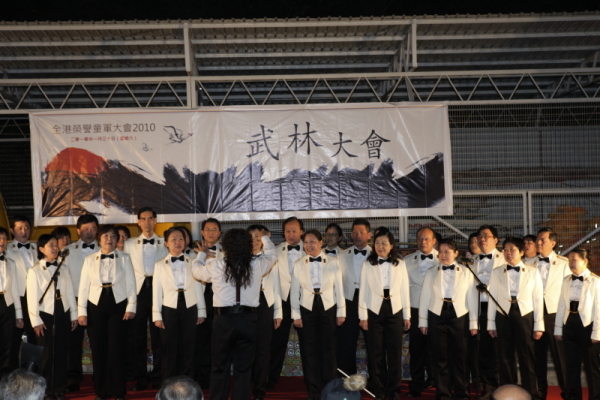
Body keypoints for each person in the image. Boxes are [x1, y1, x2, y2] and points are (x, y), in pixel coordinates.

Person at [192, 228, 277, 400]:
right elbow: (272, 255)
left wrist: (201, 254)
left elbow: (196, 271)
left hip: (223, 320)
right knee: (243, 368)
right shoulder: (257, 264)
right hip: (249, 320)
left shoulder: (217, 266)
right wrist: (264, 238)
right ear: (248, 245)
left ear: (226, 247)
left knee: (219, 366)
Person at [78, 224, 137, 400]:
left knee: (117, 348)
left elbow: (131, 284)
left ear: (117, 239)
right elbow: (83, 287)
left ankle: (118, 391)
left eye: (113, 236)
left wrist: (131, 306)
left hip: (118, 303)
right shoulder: (90, 259)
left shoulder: (125, 258)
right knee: (98, 348)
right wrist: (81, 312)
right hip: (95, 304)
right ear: (99, 239)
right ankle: (101, 391)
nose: (109, 239)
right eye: (105, 236)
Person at [419, 238, 478, 400]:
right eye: (441, 252)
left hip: (460, 315)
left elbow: (472, 297)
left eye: (447, 252)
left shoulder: (466, 271)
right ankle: (443, 393)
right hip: (436, 314)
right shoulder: (431, 272)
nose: (443, 255)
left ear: (456, 253)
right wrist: (423, 321)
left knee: (461, 357)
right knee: (440, 357)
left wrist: (474, 323)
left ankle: (462, 393)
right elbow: (424, 296)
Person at [291, 229, 346, 400]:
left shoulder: (333, 261)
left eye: (312, 241)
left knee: (329, 349)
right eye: (306, 242)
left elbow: (339, 288)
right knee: (309, 349)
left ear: (321, 243)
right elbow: (294, 291)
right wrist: (296, 315)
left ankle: (329, 387)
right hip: (307, 307)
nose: (309, 245)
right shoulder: (299, 263)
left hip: (328, 306)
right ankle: (313, 389)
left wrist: (341, 311)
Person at [487, 237, 544, 398]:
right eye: (505, 250)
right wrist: (491, 324)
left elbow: (538, 299)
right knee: (505, 357)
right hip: (503, 315)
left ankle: (530, 394)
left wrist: (539, 325)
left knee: (527, 356)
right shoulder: (497, 271)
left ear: (521, 252)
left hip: (525, 315)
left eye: (512, 250)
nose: (508, 253)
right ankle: (507, 394)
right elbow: (492, 297)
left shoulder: (532, 271)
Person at [358, 227, 410, 400]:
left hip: (395, 309)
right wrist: (363, 316)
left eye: (384, 243)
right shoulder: (367, 264)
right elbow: (363, 291)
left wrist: (407, 316)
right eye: (378, 243)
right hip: (374, 310)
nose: (380, 246)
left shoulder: (400, 264)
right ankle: (379, 390)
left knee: (395, 352)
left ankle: (394, 390)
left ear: (391, 245)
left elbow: (405, 291)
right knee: (375, 352)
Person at [27, 234, 78, 399]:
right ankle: (46, 389)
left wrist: (74, 315)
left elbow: (69, 292)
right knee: (47, 354)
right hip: (45, 315)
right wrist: (36, 321)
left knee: (62, 352)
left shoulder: (63, 267)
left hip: (63, 311)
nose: (55, 248)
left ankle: (60, 388)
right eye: (51, 245)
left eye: (56, 245)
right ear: (42, 249)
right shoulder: (34, 271)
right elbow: (32, 298)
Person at [153, 227, 206, 382]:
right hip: (169, 307)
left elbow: (198, 287)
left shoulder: (194, 262)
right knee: (169, 348)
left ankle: (188, 385)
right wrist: (157, 315)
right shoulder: (159, 265)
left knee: (189, 347)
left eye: (181, 239)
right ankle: (168, 385)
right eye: (174, 239)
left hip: (190, 306)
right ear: (166, 243)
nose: (178, 242)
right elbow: (156, 291)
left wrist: (201, 311)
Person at [124, 207, 168, 391]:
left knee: (159, 337)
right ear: (138, 222)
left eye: (150, 218)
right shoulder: (129, 243)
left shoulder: (165, 242)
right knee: (137, 337)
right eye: (143, 218)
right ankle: (140, 378)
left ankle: (159, 378)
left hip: (159, 292)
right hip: (137, 292)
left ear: (155, 220)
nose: (147, 222)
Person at [554, 248, 600, 400]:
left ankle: (595, 397)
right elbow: (561, 304)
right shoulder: (566, 280)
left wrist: (597, 332)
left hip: (587, 325)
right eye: (569, 260)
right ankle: (573, 397)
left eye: (574, 259)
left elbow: (599, 308)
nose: (571, 263)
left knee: (591, 366)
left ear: (584, 261)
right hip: (569, 323)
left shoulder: (595, 281)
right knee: (571, 365)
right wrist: (558, 329)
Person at [62, 214, 100, 393]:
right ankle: (73, 378)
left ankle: (100, 377)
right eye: (86, 229)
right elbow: (64, 280)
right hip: (75, 299)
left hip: (98, 300)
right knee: (73, 343)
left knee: (99, 341)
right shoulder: (67, 251)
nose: (89, 232)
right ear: (78, 231)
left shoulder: (105, 249)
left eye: (93, 229)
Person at [533, 227, 570, 400]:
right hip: (534, 314)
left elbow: (568, 291)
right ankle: (539, 392)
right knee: (536, 356)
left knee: (560, 356)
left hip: (555, 314)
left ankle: (568, 392)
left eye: (543, 239)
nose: (539, 242)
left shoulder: (564, 263)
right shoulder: (528, 263)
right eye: (538, 239)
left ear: (553, 243)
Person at [268, 216, 304, 389]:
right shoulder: (275, 251)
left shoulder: (311, 249)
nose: (291, 234)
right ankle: (270, 380)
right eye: (287, 231)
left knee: (309, 343)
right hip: (282, 300)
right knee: (277, 343)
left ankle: (314, 381)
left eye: (294, 231)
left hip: (305, 301)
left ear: (301, 232)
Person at [247, 225, 282, 400]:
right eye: (251, 237)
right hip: (246, 304)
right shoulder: (241, 258)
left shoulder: (270, 258)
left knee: (263, 348)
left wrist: (278, 312)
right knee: (246, 347)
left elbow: (276, 285)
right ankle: (245, 386)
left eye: (258, 237)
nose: (254, 240)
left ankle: (259, 390)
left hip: (266, 303)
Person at [470, 225, 505, 399]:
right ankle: (488, 385)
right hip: (479, 309)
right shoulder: (472, 260)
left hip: (498, 308)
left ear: (496, 240)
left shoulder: (504, 258)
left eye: (486, 236)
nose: (482, 239)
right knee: (483, 350)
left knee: (499, 350)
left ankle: (504, 386)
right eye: (480, 236)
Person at [405, 227, 438, 397]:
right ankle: (416, 384)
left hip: (436, 308)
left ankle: (437, 382)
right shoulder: (407, 261)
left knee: (437, 347)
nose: (423, 242)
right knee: (417, 349)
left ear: (434, 241)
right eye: (419, 239)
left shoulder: (443, 258)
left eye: (426, 239)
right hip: (415, 307)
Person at [336, 218, 372, 377]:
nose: (358, 235)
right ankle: (347, 377)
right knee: (347, 341)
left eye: (362, 232)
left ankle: (375, 380)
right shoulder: (342, 255)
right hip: (348, 300)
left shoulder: (377, 254)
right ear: (350, 234)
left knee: (372, 342)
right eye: (355, 232)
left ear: (369, 234)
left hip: (370, 302)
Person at [195, 218, 223, 389]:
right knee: (202, 339)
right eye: (207, 229)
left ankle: (217, 377)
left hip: (221, 298)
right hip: (201, 297)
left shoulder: (226, 252)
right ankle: (203, 377)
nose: (211, 232)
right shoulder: (193, 251)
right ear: (202, 232)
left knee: (219, 340)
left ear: (219, 233)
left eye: (214, 229)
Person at [6, 215, 37, 367]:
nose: (24, 232)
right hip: (17, 297)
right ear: (12, 231)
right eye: (19, 228)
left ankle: (32, 372)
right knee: (13, 337)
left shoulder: (38, 248)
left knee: (35, 336)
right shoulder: (6, 249)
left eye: (27, 228)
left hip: (36, 298)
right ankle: (11, 372)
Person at [0, 227, 23, 380]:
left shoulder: (11, 262)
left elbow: (15, 289)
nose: (2, 241)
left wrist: (19, 315)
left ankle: (4, 379)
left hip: (7, 303)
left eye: (4, 238)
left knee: (7, 343)